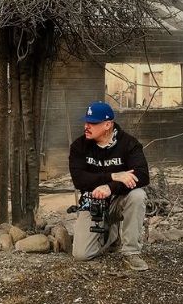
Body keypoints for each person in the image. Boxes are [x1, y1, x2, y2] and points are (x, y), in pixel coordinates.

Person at [69, 101, 150, 271]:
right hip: (92, 203)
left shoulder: (128, 143)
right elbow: (79, 180)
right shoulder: (79, 146)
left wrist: (110, 187)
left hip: (118, 201)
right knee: (81, 255)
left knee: (137, 195)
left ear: (107, 125)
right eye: (86, 122)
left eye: (92, 123)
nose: (86, 126)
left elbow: (142, 175)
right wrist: (113, 176)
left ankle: (131, 253)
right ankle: (111, 235)